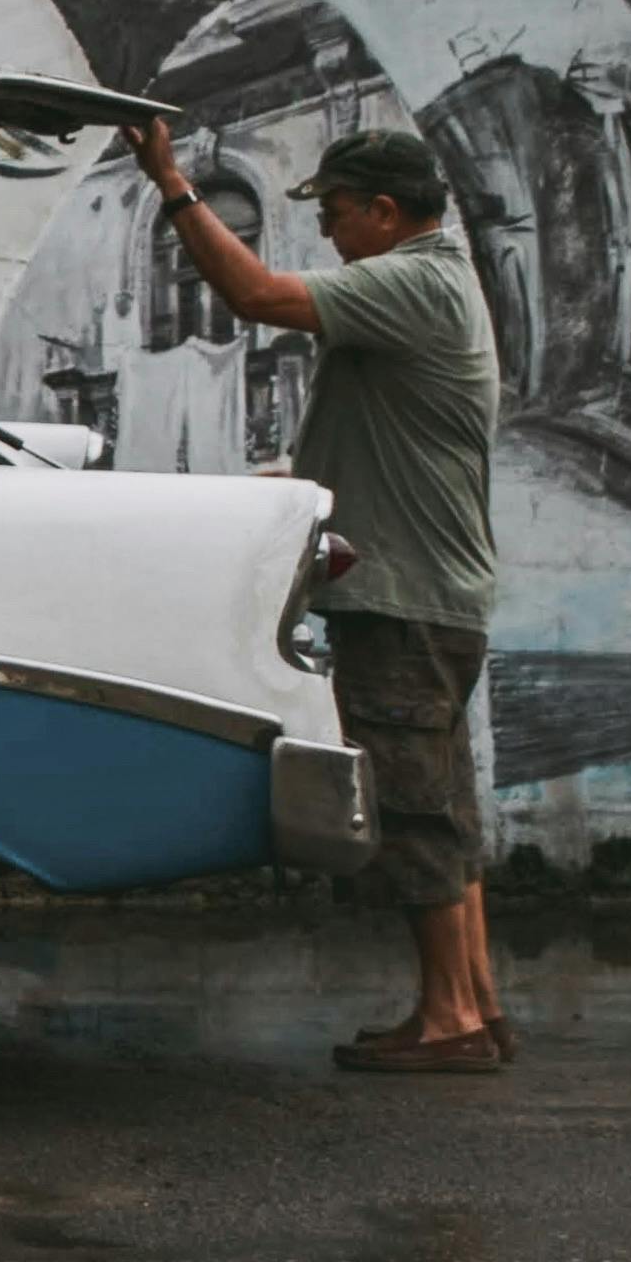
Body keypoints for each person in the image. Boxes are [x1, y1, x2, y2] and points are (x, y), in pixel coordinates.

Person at [136, 117, 508, 1075]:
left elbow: (253, 293)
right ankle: (475, 1003)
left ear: (386, 214)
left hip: (404, 600)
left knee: (414, 813)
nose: (332, 236)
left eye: (339, 216)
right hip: (432, 596)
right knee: (446, 810)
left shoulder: (415, 280)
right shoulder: (436, 285)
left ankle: (449, 1022)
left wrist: (172, 183)